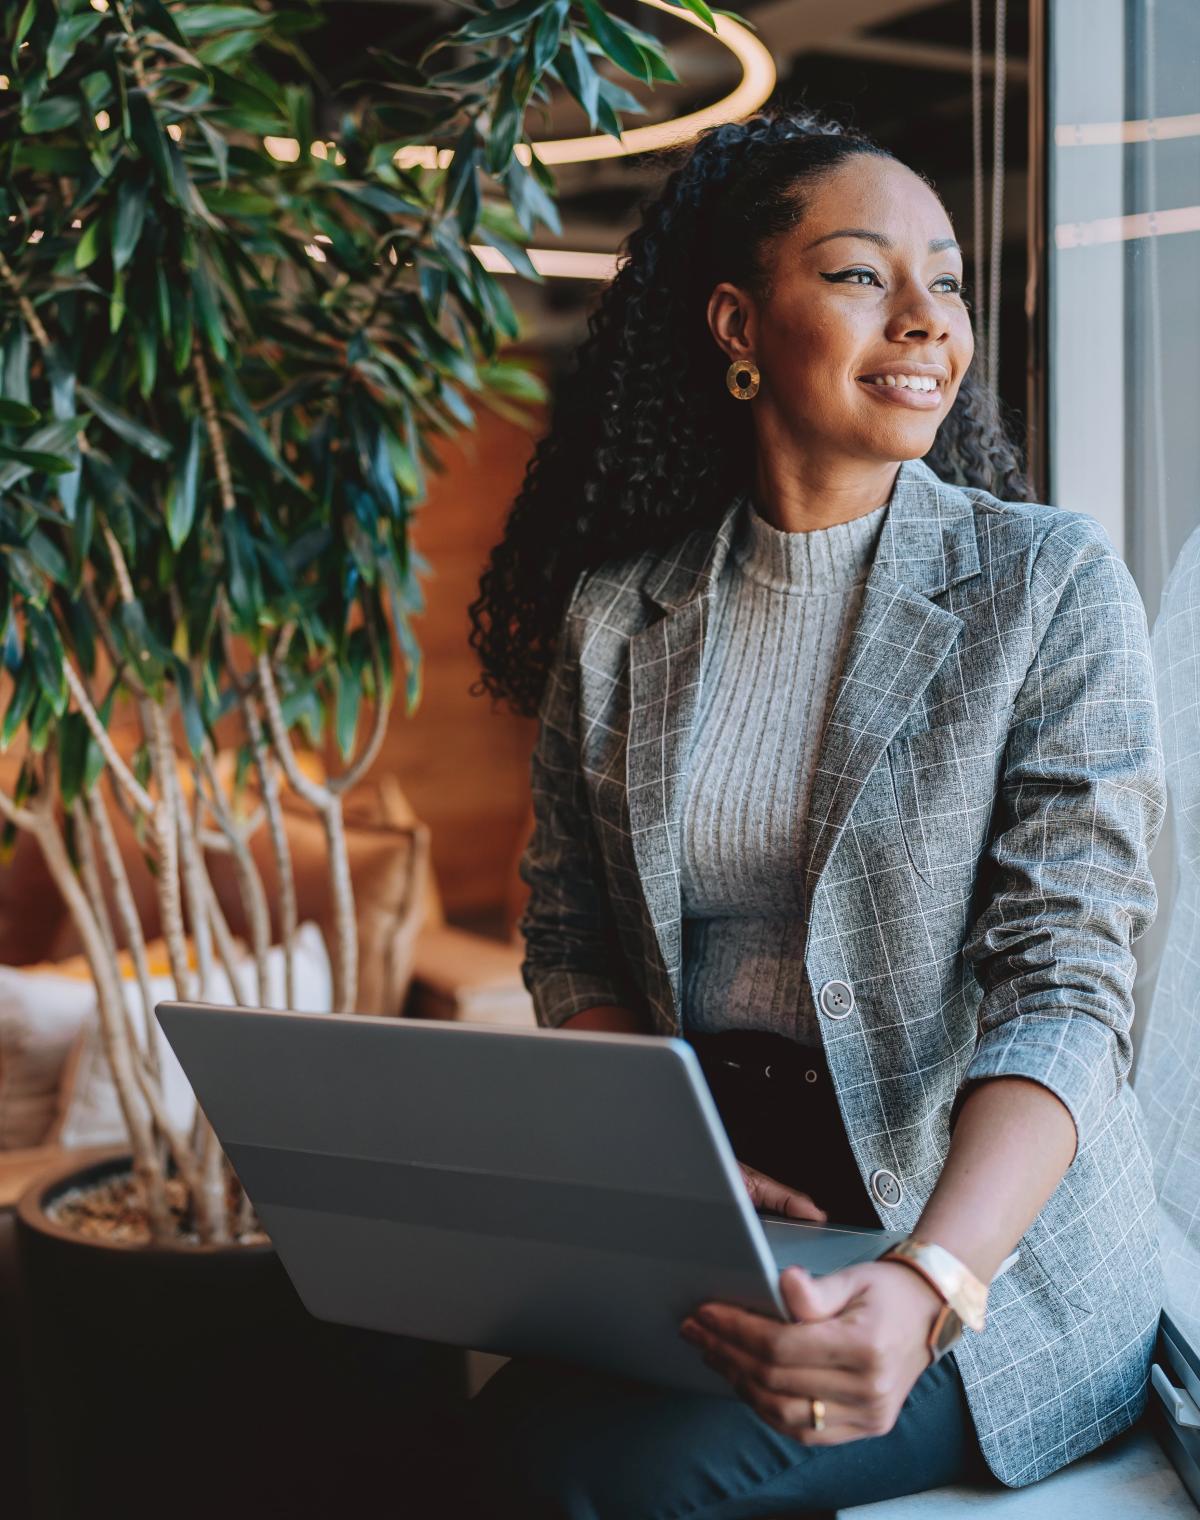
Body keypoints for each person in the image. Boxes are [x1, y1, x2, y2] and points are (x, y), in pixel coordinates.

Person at [464, 106, 1166, 1518]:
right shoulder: (623, 616)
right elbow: (575, 941)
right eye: (861, 275)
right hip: (723, 1217)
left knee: (603, 1486)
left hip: (979, 1257)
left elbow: (1068, 988)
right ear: (738, 322)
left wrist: (925, 1286)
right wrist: (680, 1167)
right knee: (483, 1436)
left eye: (950, 280)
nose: (927, 319)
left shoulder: (1047, 586)